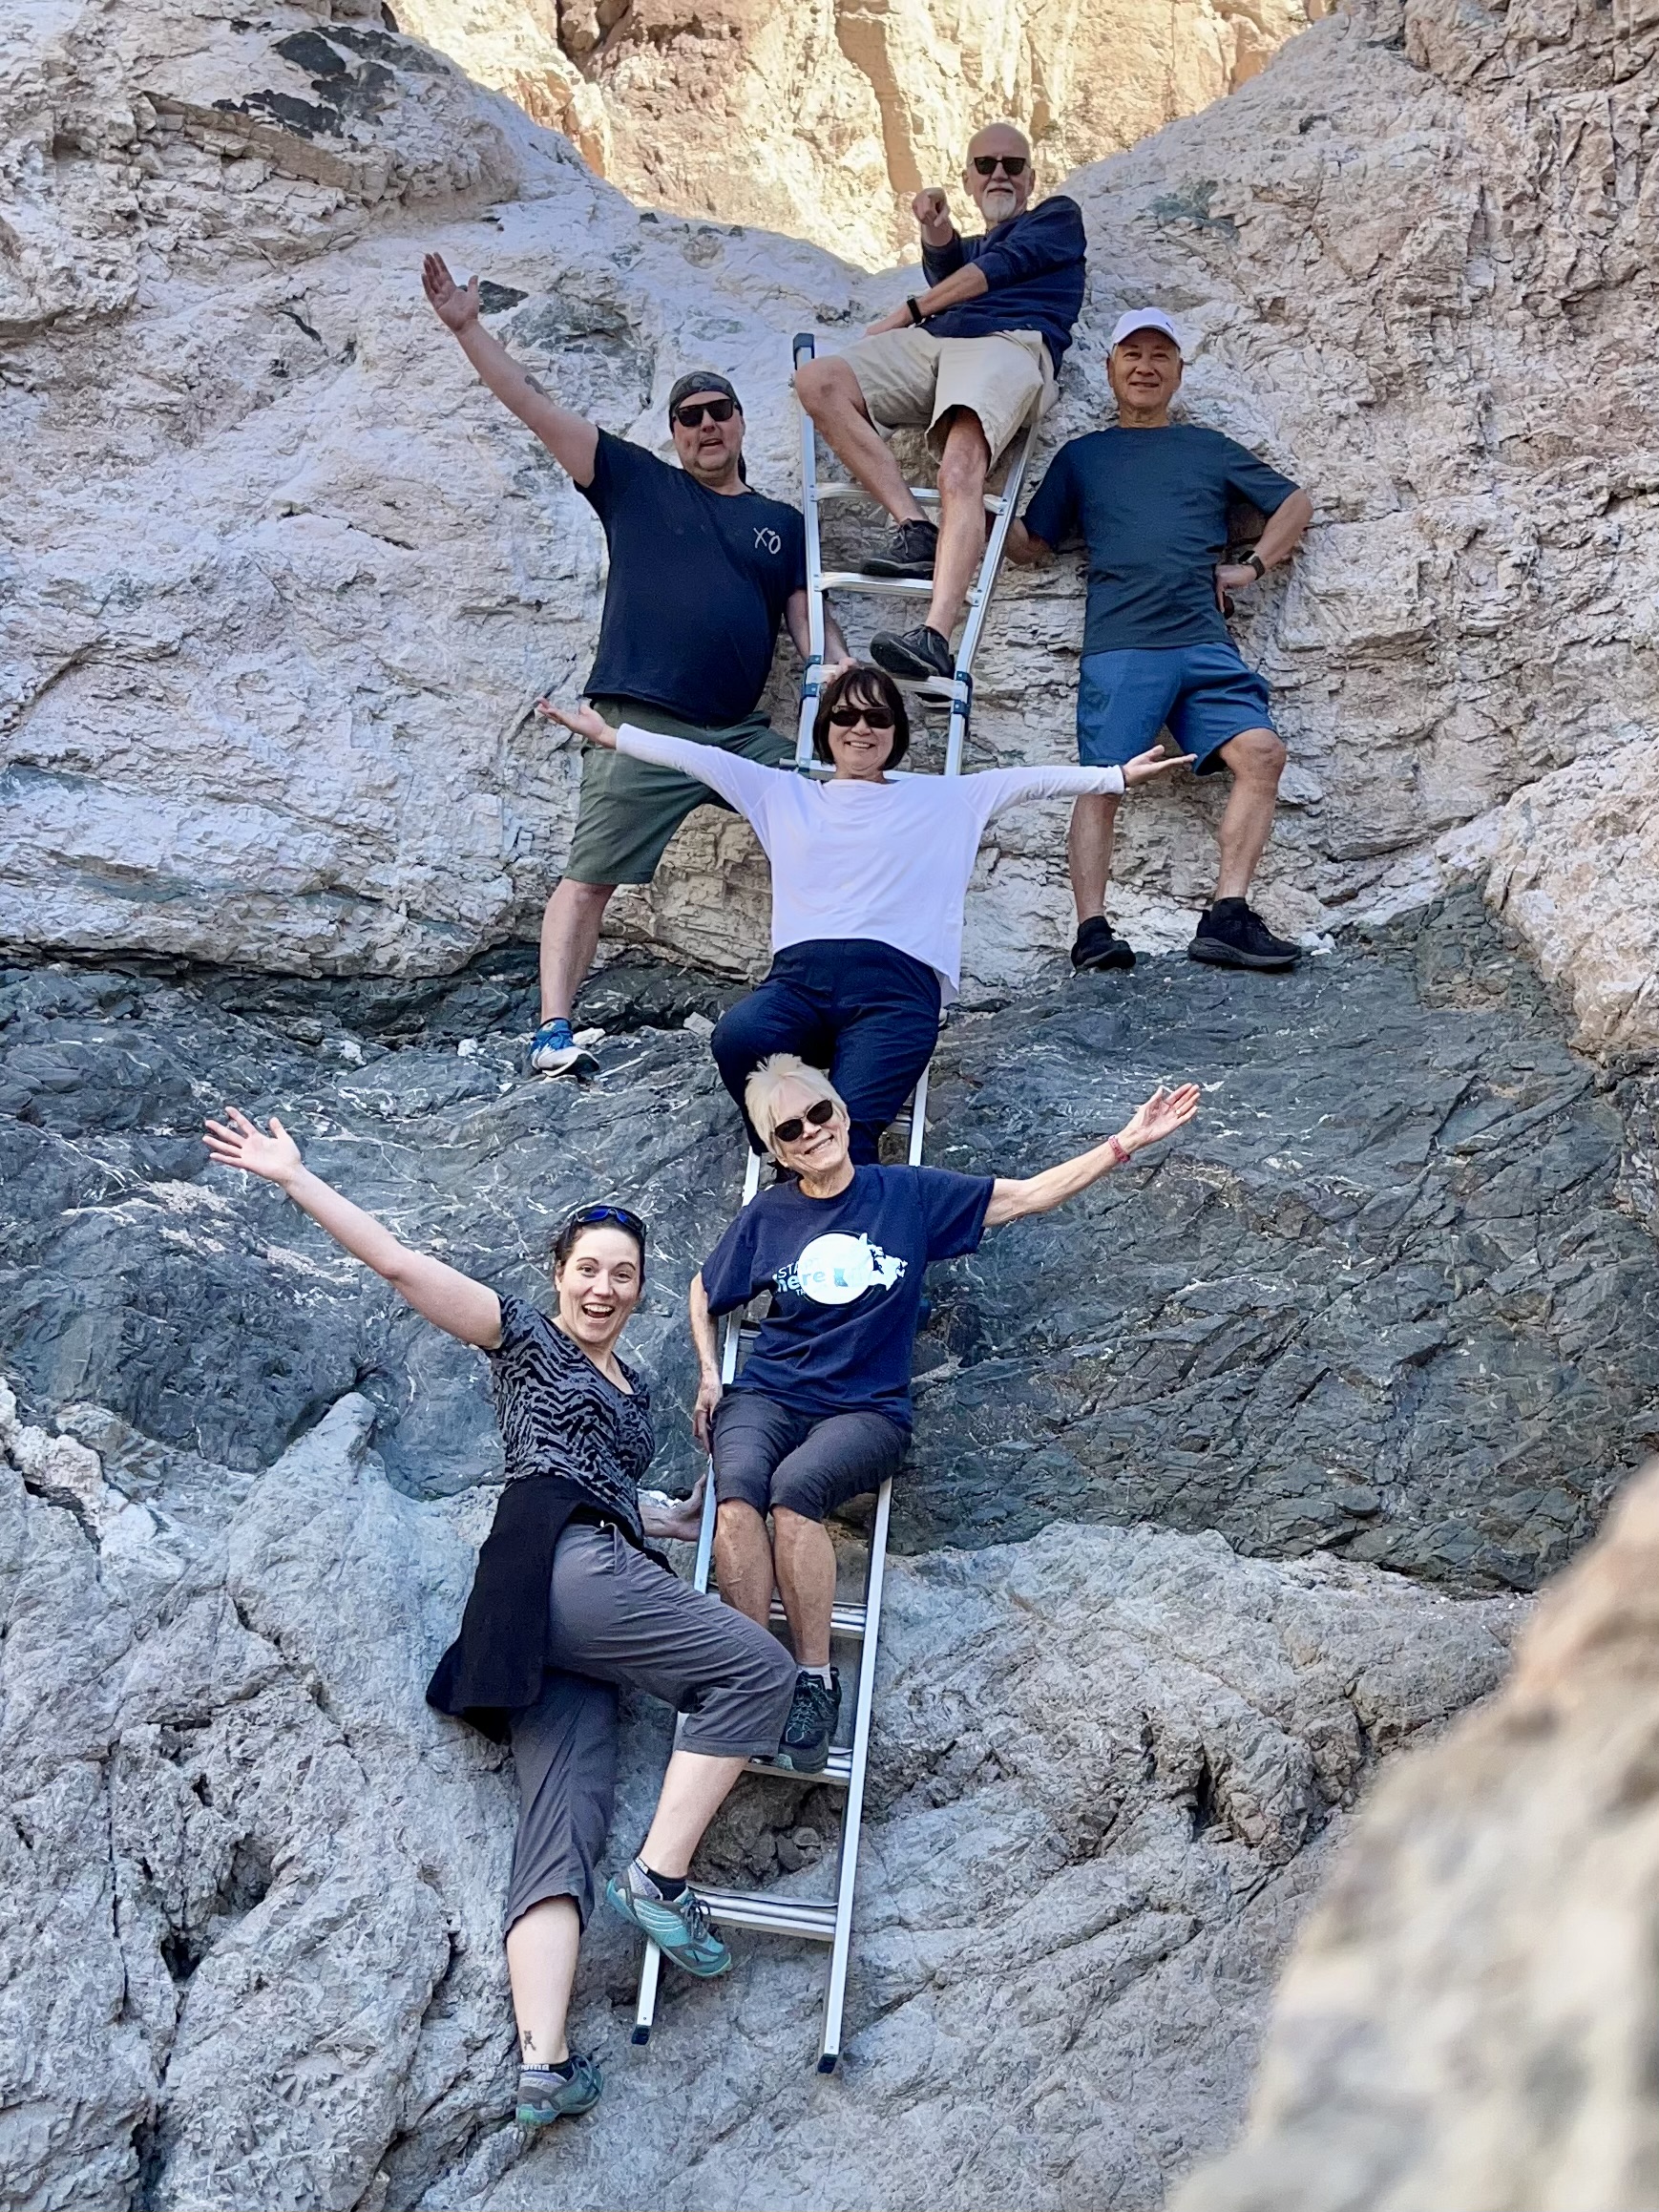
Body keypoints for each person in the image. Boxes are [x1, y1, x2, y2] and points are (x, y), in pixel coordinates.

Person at [200, 1108, 797, 2129]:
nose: (603, 1287)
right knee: (758, 1670)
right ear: (557, 1273)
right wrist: (295, 1176)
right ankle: (660, 1878)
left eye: (622, 1274)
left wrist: (670, 1514)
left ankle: (543, 2063)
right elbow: (399, 1264)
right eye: (587, 1268)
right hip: (563, 1563)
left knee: (559, 1823)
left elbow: (603, 1478)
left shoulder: (637, 1385)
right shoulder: (524, 1337)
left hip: (546, 1603)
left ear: (639, 1288)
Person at [687, 1054, 1202, 1772]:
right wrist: (711, 1375)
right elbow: (703, 1288)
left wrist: (1125, 1142)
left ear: (843, 1114)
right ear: (777, 1149)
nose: (811, 1132)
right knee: (737, 1493)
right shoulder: (769, 1214)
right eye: (790, 1129)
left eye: (819, 1113)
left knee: (795, 1493)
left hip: (865, 1408)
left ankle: (813, 1681)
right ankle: (752, 1678)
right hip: (769, 1392)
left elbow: (1027, 1196)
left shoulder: (906, 1194)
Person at [421, 253, 847, 1077]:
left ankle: (826, 999)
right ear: (674, 432)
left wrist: (842, 670)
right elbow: (534, 405)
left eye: (718, 411)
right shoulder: (634, 481)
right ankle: (553, 1030)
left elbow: (808, 622)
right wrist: (469, 329)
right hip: (635, 726)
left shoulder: (779, 523)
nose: (705, 426)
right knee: (588, 878)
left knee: (825, 822)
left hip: (736, 733)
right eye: (689, 416)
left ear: (740, 422)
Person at [538, 663, 1190, 1164]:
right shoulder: (782, 793)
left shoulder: (949, 798)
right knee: (738, 1036)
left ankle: (832, 1257)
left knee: (850, 1137)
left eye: (877, 718)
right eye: (846, 716)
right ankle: (782, 1149)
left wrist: (1115, 777)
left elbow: (1034, 780)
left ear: (896, 732)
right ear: (826, 729)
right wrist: (611, 735)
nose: (861, 729)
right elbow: (698, 756)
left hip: (896, 992)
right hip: (799, 984)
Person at [1008, 307, 1315, 976]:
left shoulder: (1207, 447)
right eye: (1132, 354)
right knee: (1101, 779)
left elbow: (1295, 504)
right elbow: (1033, 545)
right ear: (1111, 368)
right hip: (1123, 643)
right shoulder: (1083, 456)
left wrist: (1251, 567)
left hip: (1204, 641)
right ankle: (1092, 930)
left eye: (1160, 356)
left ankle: (1228, 915)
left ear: (1177, 372)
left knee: (1263, 753)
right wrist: (979, 507)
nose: (1145, 367)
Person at [792, 123, 1085, 688]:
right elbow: (955, 267)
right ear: (968, 179)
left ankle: (935, 636)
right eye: (985, 165)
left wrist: (906, 312)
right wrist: (936, 227)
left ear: (1032, 178)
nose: (999, 174)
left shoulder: (1057, 218)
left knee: (959, 469)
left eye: (1012, 165)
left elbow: (990, 271)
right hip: (938, 344)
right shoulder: (977, 249)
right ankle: (913, 525)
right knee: (819, 381)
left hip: (1008, 343)